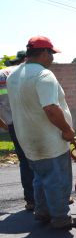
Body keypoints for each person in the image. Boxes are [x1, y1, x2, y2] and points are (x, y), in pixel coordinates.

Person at [7, 36, 76, 229]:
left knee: (40, 177)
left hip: (27, 139)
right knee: (57, 180)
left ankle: (42, 212)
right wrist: (67, 130)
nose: (52, 58)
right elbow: (50, 108)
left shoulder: (13, 76)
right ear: (43, 53)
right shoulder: (44, 75)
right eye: (51, 54)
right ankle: (60, 219)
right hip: (49, 140)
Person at [0, 51, 35, 211]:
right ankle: (49, 198)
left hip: (13, 124)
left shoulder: (2, 74)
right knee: (43, 159)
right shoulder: (27, 72)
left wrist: (4, 123)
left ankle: (31, 200)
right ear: (26, 59)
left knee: (24, 162)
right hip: (32, 123)